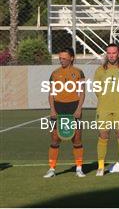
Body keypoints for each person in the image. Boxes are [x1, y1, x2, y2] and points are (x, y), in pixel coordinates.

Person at [43, 48, 86, 178]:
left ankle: (79, 168)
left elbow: (82, 92)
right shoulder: (54, 73)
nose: (61, 60)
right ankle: (51, 169)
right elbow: (51, 93)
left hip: (73, 107)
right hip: (58, 107)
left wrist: (79, 109)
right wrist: (52, 109)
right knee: (55, 139)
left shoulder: (79, 72)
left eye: (64, 58)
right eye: (60, 58)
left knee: (77, 139)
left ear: (71, 58)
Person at [94, 43, 119, 176]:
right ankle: (100, 167)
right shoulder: (100, 70)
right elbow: (97, 89)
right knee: (103, 136)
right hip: (104, 108)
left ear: (118, 54)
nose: (111, 55)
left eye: (113, 53)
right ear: (106, 54)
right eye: (109, 53)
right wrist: (106, 98)